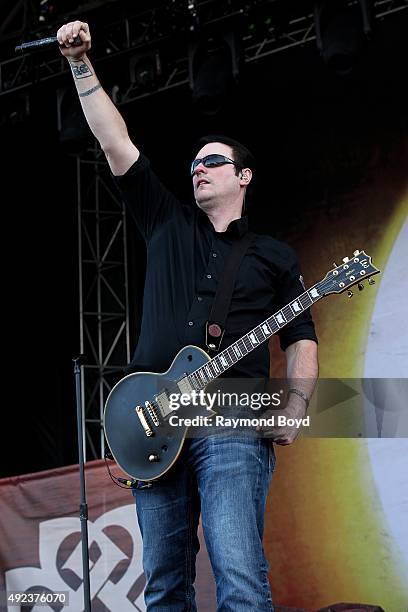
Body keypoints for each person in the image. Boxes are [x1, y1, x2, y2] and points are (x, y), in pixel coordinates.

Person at [57, 20, 319, 612]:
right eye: (194, 162)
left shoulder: (273, 256)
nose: (197, 167)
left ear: (243, 175)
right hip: (154, 420)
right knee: (164, 585)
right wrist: (79, 64)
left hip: (232, 416)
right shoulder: (166, 221)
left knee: (240, 576)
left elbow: (301, 337)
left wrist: (298, 406)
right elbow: (115, 142)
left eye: (213, 160)